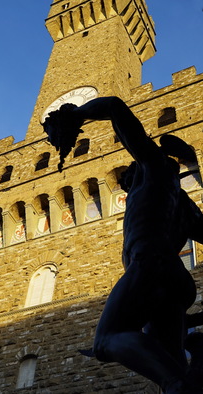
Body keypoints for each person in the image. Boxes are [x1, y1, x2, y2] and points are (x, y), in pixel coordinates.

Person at [43, 97, 203, 393]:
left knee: (106, 340)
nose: (125, 178)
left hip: (149, 264)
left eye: (129, 171)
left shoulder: (153, 167)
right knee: (168, 359)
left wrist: (76, 116)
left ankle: (179, 383)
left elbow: (116, 107)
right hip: (176, 282)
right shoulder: (182, 203)